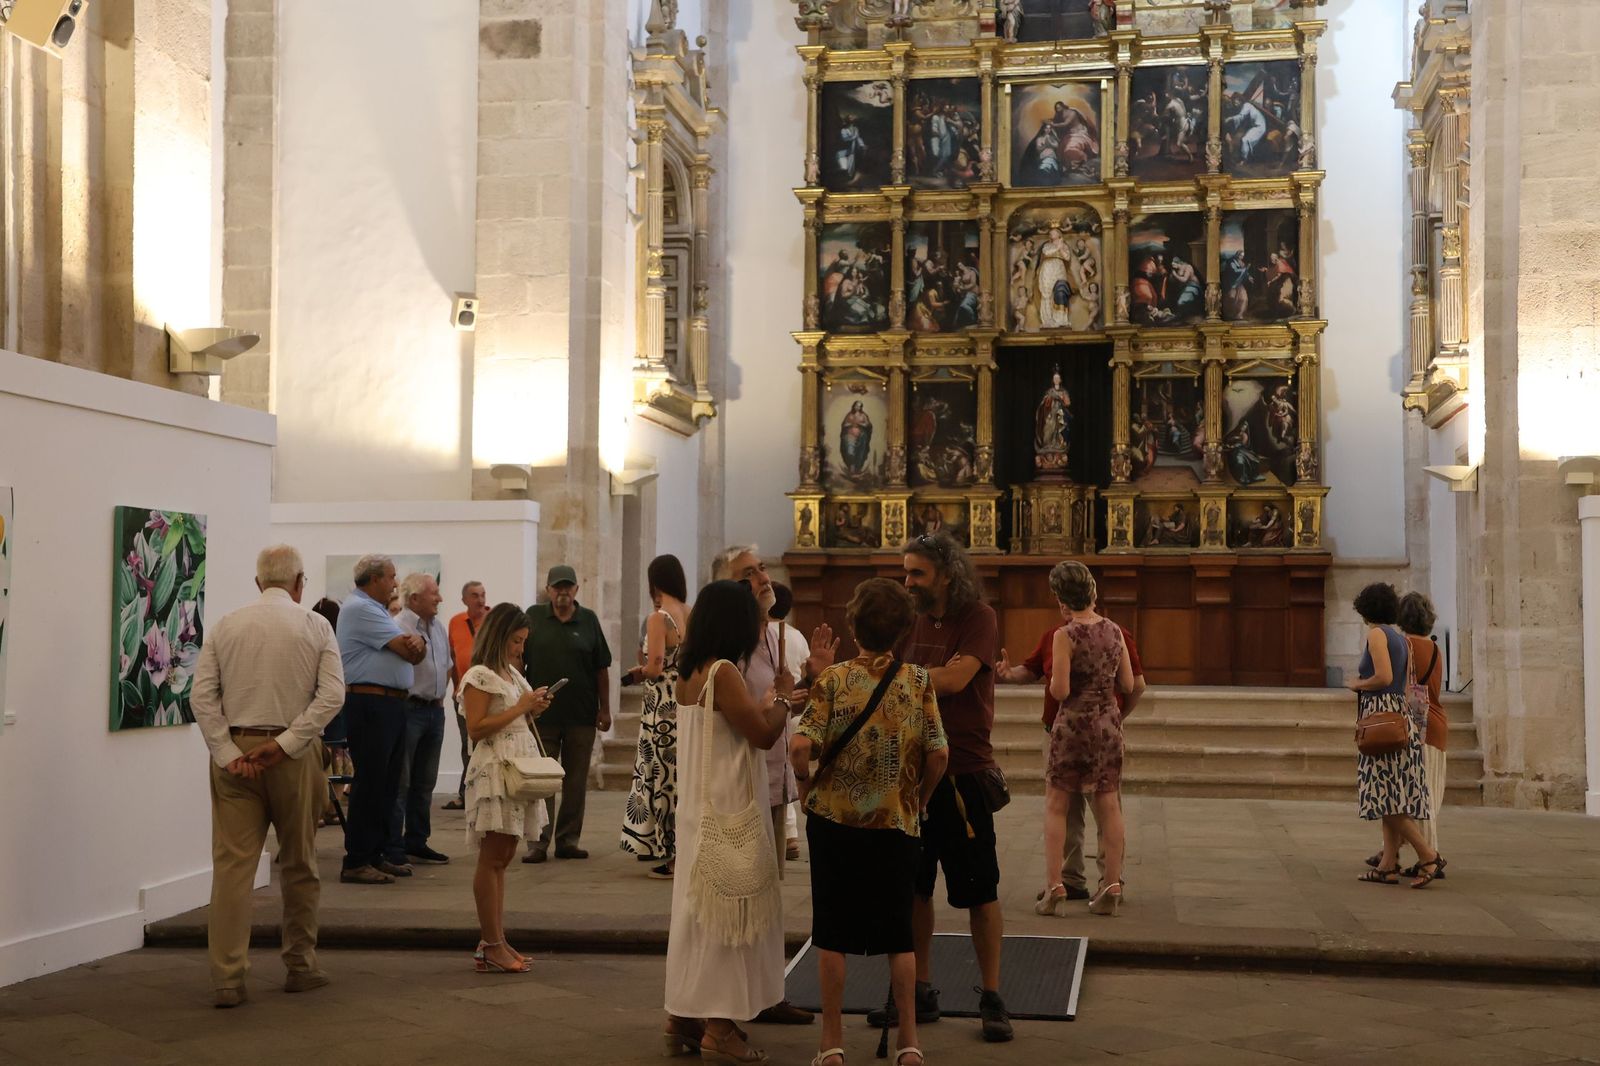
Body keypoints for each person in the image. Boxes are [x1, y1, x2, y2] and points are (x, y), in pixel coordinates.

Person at [792, 578, 949, 1066]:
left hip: (834, 822)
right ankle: (909, 1043)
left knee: (833, 932)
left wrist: (803, 786)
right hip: (896, 824)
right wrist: (918, 800)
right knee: (898, 935)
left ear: (853, 625)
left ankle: (832, 1044)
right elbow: (940, 754)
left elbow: (800, 747)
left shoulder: (833, 680)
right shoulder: (917, 680)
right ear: (903, 629)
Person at [191, 545, 345, 1007]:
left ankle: (227, 978)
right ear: (299, 582)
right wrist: (285, 744)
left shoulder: (226, 625)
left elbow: (202, 697)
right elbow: (333, 696)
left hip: (237, 756)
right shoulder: (315, 625)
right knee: (299, 864)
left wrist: (226, 750)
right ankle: (300, 966)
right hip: (292, 759)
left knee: (233, 870)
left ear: (258, 582)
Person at [878, 530, 1013, 1043]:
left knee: (980, 891)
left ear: (947, 574)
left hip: (963, 772)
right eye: (905, 571)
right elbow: (896, 669)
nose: (906, 581)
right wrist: (921, 674)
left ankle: (993, 994)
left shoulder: (977, 616)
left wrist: (903, 678)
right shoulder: (906, 618)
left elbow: (957, 681)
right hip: (910, 773)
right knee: (915, 888)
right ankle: (921, 990)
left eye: (917, 573)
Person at [662, 580, 790, 1063]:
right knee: (729, 923)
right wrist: (783, 697)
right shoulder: (724, 673)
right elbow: (760, 735)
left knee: (696, 918)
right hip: (730, 808)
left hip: (700, 812)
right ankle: (720, 1028)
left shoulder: (690, 671)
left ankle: (681, 1018)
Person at [712, 545, 835, 1027]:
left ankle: (767, 991)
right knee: (746, 901)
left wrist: (810, 678)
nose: (764, 578)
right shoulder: (732, 648)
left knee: (769, 898)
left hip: (777, 782)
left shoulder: (773, 636)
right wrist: (782, 698)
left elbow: (786, 708)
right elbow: (754, 721)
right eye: (750, 574)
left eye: (761, 570)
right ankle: (740, 1000)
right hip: (744, 788)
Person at [997, 593, 1145, 901]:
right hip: (1059, 732)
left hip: (1092, 732)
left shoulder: (1115, 632)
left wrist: (1117, 717)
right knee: (1069, 810)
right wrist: (1010, 675)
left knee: (1102, 806)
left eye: (1064, 601)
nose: (1062, 607)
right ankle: (1071, 877)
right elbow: (1032, 669)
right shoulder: (1054, 635)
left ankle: (1109, 878)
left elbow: (1135, 685)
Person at [1033, 562, 1136, 917]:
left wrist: (1053, 681)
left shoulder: (1066, 635)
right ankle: (1111, 884)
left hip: (1073, 724)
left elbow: (1060, 690)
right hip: (1107, 723)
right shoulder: (1115, 631)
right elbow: (1128, 685)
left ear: (1061, 599)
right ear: (1093, 592)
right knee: (1109, 804)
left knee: (1057, 805)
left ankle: (1054, 886)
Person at [460, 603, 555, 974]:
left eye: (523, 642)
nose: (520, 648)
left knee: (505, 857)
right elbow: (477, 727)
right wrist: (522, 709)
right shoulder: (480, 675)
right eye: (516, 640)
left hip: (516, 763)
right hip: (496, 767)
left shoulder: (511, 673)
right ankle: (490, 943)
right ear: (500, 635)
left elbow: (517, 713)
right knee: (492, 857)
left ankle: (496, 939)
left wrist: (535, 707)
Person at [1347, 583, 1445, 888]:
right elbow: (1403, 685)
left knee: (1387, 799)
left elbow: (1385, 677)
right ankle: (1387, 866)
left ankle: (1428, 856)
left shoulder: (1377, 635)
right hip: (1398, 714)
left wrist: (1358, 684)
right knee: (1388, 796)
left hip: (1381, 716)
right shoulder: (1401, 641)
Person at [336, 555, 425, 885]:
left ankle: (375, 854)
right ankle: (357, 859)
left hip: (387, 704)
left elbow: (416, 650)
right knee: (371, 783)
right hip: (370, 703)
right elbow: (408, 651)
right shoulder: (361, 608)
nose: (395, 583)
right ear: (373, 580)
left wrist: (418, 645)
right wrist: (415, 645)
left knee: (386, 785)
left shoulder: (373, 609)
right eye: (391, 577)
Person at [522, 565, 613, 863]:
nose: (562, 592)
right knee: (542, 781)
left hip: (581, 715)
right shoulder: (534, 617)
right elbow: (517, 661)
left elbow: (601, 668)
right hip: (542, 716)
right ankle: (538, 842)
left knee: (575, 782)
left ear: (576, 590)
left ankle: (568, 840)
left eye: (568, 587)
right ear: (548, 590)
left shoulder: (588, 620)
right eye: (557, 587)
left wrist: (605, 708)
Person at [620, 554, 690, 878]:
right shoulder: (689, 613)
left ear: (655, 583)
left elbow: (657, 665)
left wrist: (639, 670)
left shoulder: (659, 617)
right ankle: (682, 853)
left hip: (660, 704)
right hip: (683, 701)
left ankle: (671, 856)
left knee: (660, 776)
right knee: (678, 778)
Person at [392, 572, 451, 866]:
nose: (439, 598)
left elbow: (447, 665)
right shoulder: (398, 627)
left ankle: (417, 840)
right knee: (402, 780)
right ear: (415, 598)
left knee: (425, 782)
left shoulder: (438, 628)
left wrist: (439, 696)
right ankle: (393, 844)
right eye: (434, 593)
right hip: (409, 709)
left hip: (434, 711)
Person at [770, 581, 811, 863]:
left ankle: (786, 834)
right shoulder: (796, 635)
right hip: (797, 710)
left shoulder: (763, 634)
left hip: (775, 708)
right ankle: (792, 835)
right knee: (787, 772)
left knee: (775, 773)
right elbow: (807, 669)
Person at [444, 580, 489, 811]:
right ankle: (469, 791)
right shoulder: (455, 622)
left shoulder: (493, 620)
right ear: (464, 600)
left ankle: (486, 790)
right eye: (474, 595)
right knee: (467, 743)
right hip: (463, 696)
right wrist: (455, 688)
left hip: (489, 694)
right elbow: (452, 657)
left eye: (482, 595)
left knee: (488, 743)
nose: (480, 600)